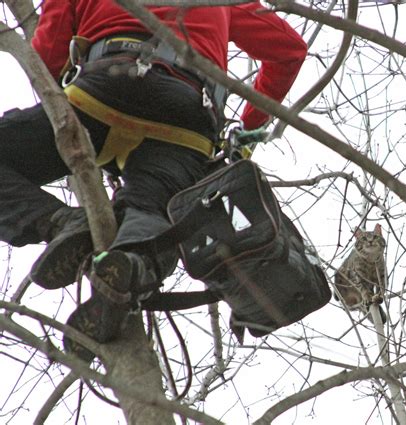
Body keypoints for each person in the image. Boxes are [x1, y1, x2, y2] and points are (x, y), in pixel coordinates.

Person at [0, 0, 307, 361]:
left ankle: (63, 222)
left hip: (105, 88)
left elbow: (47, 60)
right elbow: (290, 52)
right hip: (187, 115)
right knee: (150, 218)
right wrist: (247, 130)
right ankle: (131, 267)